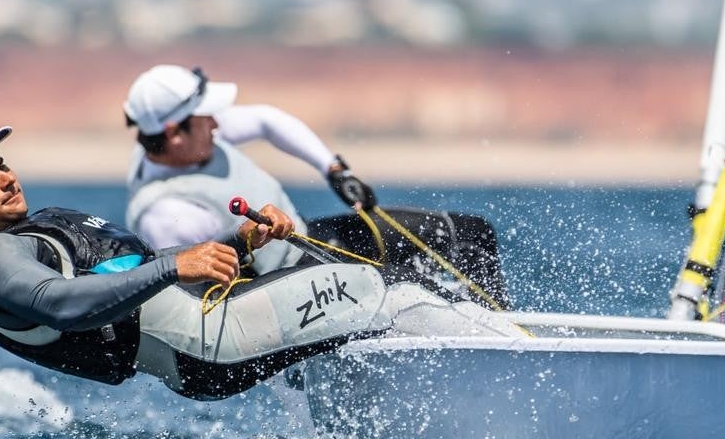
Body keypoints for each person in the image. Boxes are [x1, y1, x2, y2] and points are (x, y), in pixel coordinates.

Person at [0, 125, 400, 401]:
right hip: (212, 341)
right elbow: (61, 304)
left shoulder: (31, 231)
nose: (6, 179)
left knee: (361, 306)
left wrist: (239, 243)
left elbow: (134, 269)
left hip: (208, 344)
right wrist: (172, 268)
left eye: (1, 164)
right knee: (383, 285)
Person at [122, 64, 511, 306]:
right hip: (294, 288)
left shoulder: (192, 137)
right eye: (207, 117)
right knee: (418, 289)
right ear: (173, 132)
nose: (219, 124)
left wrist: (335, 171)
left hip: (313, 238)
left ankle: (505, 330)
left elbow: (267, 120)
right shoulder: (164, 212)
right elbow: (221, 295)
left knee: (470, 235)